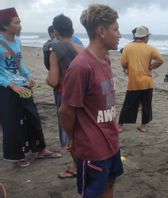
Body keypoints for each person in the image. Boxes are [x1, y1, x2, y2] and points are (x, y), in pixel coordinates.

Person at [59, 4, 123, 198]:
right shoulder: (81, 67)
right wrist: (77, 139)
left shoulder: (106, 59)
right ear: (102, 31)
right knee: (93, 193)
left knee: (110, 183)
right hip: (93, 149)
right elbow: (66, 111)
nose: (119, 34)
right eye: (115, 29)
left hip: (111, 142)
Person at [0, 7, 61, 167]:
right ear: (5, 26)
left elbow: (20, 64)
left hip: (23, 85)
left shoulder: (18, 41)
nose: (20, 25)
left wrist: (28, 76)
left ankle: (41, 150)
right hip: (6, 89)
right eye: (17, 22)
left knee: (33, 117)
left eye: (20, 21)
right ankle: (17, 156)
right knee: (12, 122)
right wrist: (11, 85)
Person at [45, 14, 84, 179]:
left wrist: (48, 79)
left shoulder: (55, 50)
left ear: (55, 31)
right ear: (72, 30)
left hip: (66, 96)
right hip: (83, 96)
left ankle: (76, 166)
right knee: (83, 130)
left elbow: (53, 81)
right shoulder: (82, 49)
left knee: (69, 133)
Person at [117, 25, 164, 132]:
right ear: (145, 37)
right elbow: (161, 60)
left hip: (134, 83)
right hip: (147, 82)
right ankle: (142, 126)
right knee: (146, 105)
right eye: (148, 36)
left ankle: (120, 126)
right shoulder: (150, 48)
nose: (148, 39)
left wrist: (127, 68)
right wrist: (150, 67)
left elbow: (123, 62)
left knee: (128, 104)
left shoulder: (128, 47)